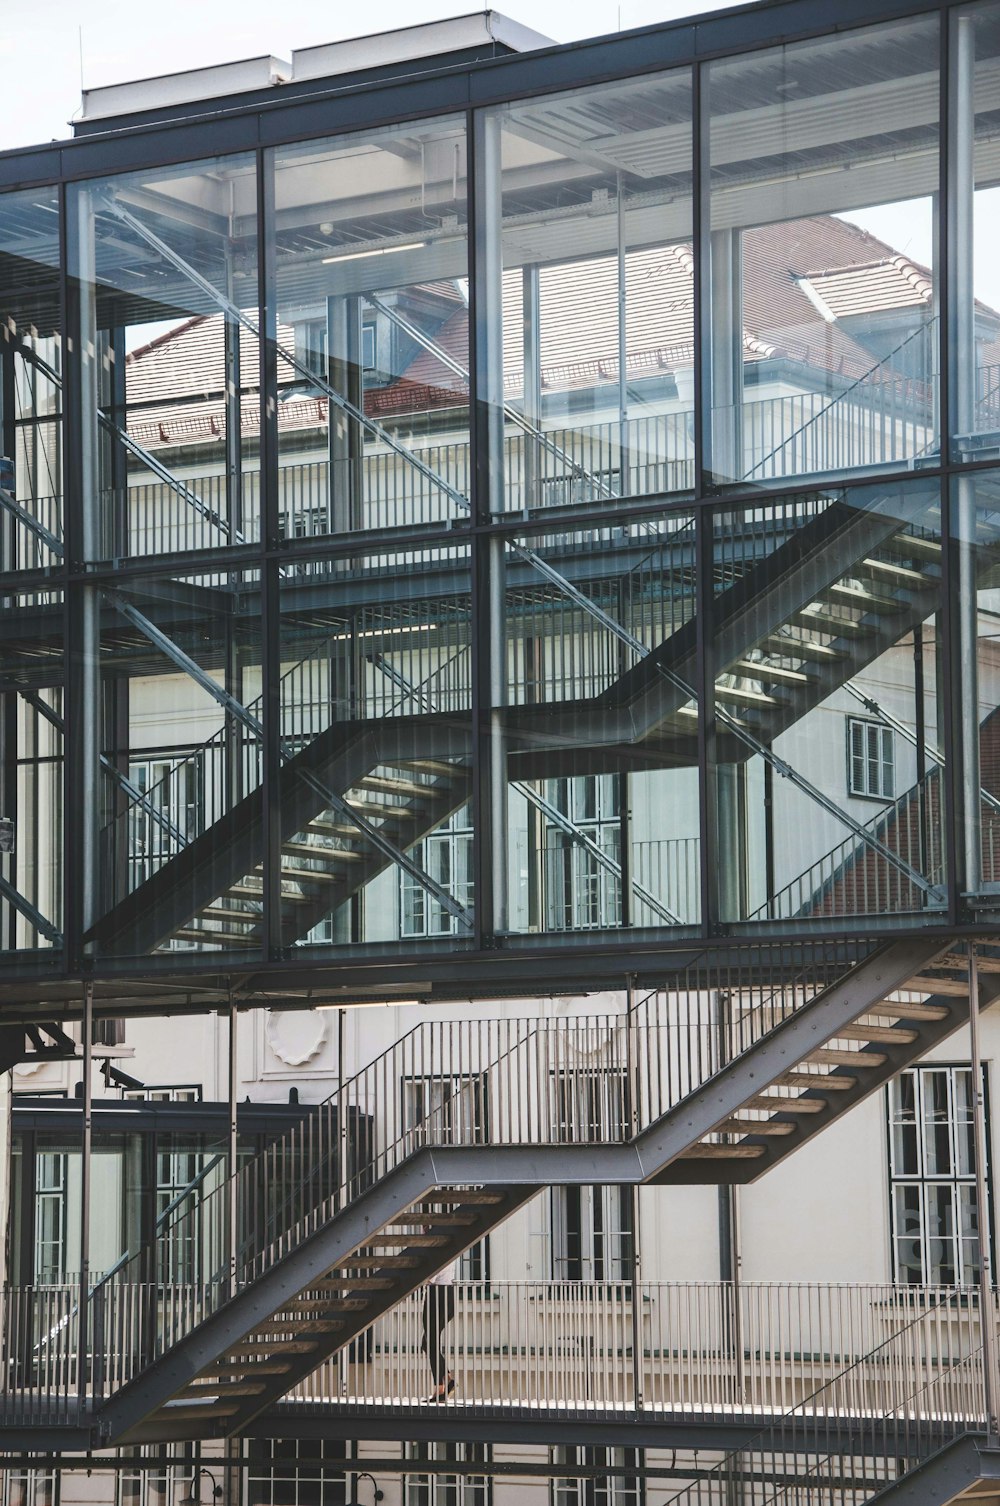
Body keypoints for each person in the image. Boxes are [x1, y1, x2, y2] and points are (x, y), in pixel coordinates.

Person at [421, 1247, 458, 1401]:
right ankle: (447, 1380)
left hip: (438, 1298)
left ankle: (441, 1389)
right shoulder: (448, 1249)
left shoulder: (440, 1251)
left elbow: (430, 1277)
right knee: (427, 1343)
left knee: (430, 1343)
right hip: (444, 1296)